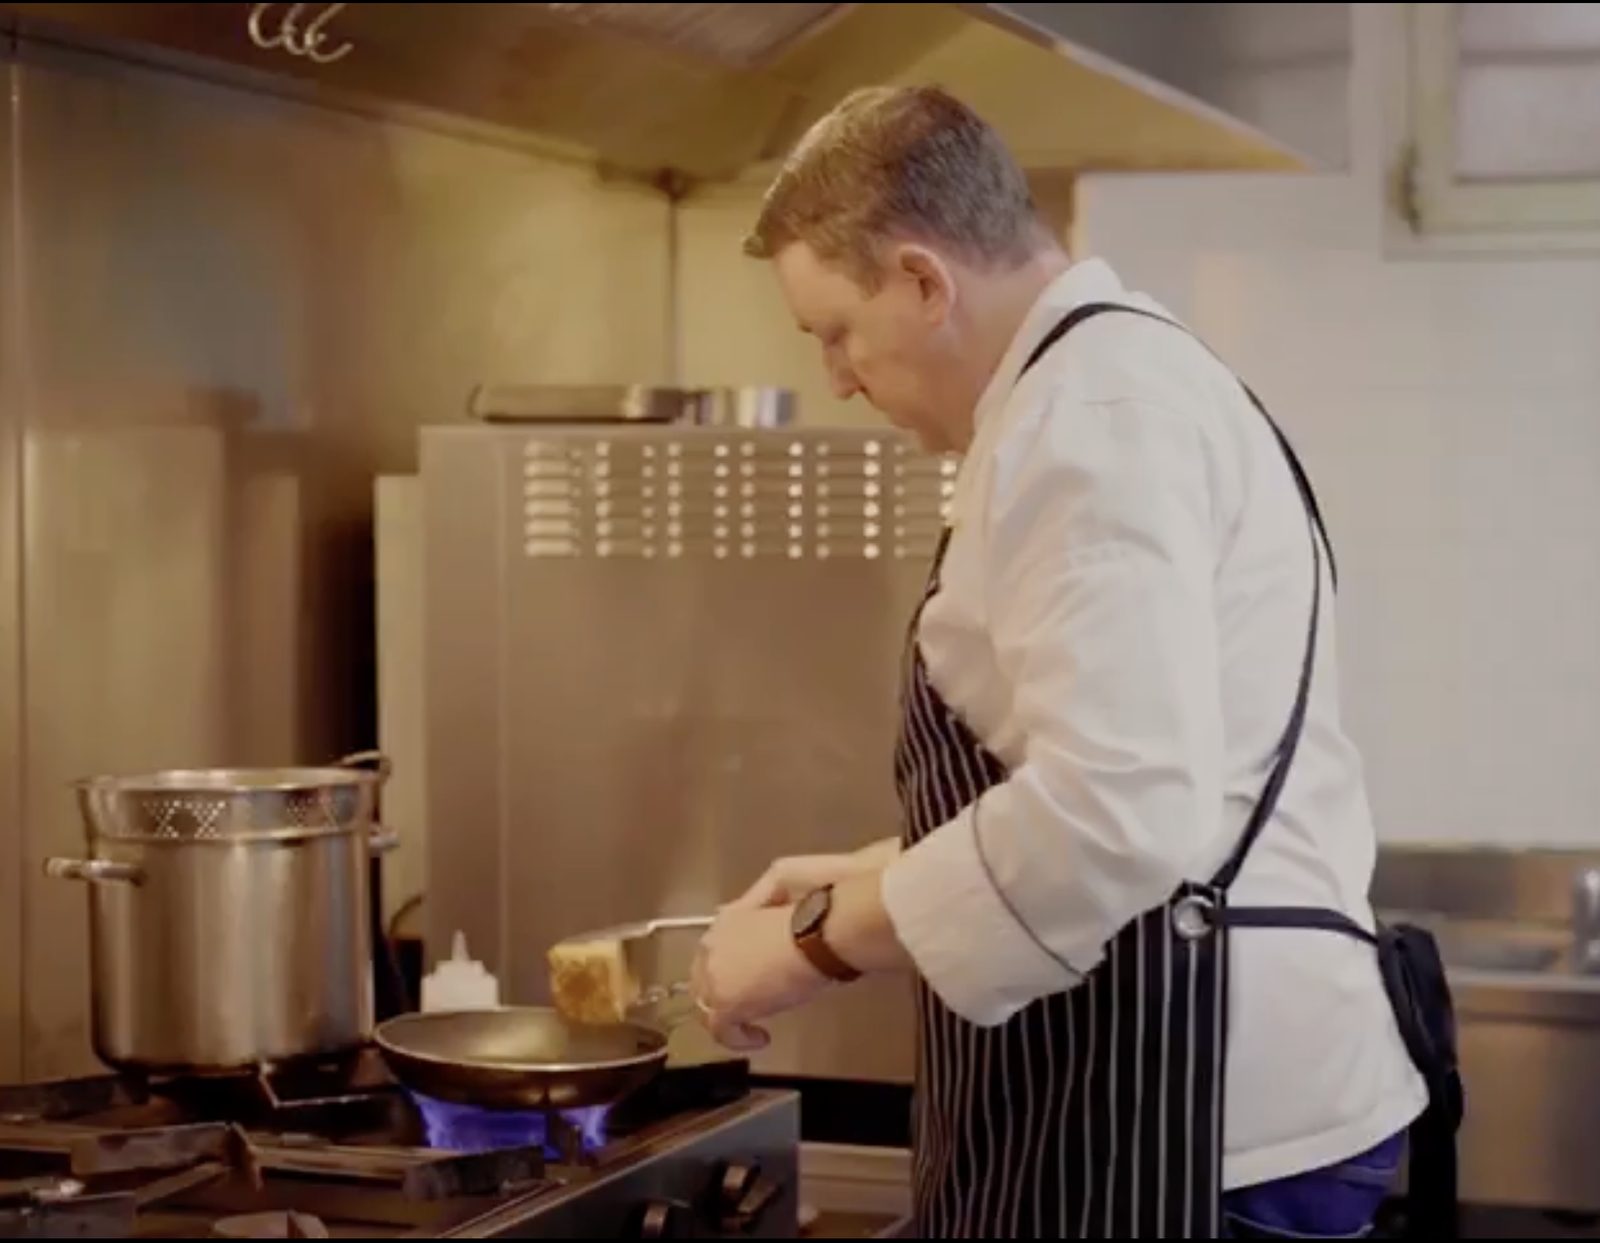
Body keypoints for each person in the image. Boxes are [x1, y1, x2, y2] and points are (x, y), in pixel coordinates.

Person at [689, 85, 1455, 1239]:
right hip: (1194, 1088)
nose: (839, 377)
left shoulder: (1086, 418)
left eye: (834, 330)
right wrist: (867, 873)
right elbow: (1136, 778)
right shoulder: (1109, 384)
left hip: (1200, 1122)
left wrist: (813, 945)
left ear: (922, 281)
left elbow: (1120, 809)